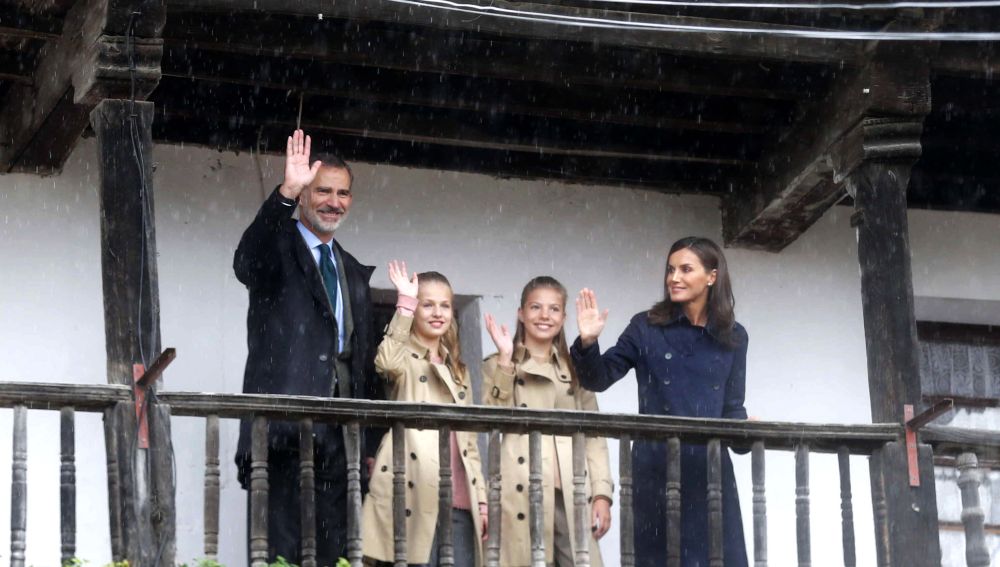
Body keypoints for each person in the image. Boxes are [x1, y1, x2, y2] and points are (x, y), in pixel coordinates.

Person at [233, 129, 382, 564]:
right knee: (280, 554)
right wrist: (284, 192)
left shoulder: (351, 270)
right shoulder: (277, 248)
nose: (333, 201)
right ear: (304, 196)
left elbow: (364, 362)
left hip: (341, 441)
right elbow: (246, 261)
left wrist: (369, 444)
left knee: (334, 553)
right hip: (281, 434)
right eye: (322, 191)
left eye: (342, 193)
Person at [572, 236, 749, 567]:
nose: (674, 278)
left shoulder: (734, 336)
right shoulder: (647, 326)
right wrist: (588, 341)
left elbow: (732, 411)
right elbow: (599, 377)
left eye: (685, 269)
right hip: (654, 470)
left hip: (710, 475)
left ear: (712, 276)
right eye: (670, 270)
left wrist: (749, 433)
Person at [481, 276, 614, 567]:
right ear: (521, 313)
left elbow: (594, 434)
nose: (544, 316)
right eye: (536, 307)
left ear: (564, 317)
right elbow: (492, 421)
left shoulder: (576, 368)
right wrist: (505, 362)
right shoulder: (497, 363)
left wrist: (602, 493)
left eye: (554, 309)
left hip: (571, 488)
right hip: (519, 487)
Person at [362, 261, 488, 567]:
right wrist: (404, 304)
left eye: (445, 305)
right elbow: (387, 362)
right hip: (413, 485)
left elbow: (468, 440)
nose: (437, 312)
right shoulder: (403, 355)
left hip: (459, 495)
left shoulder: (458, 369)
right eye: (427, 304)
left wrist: (481, 500)